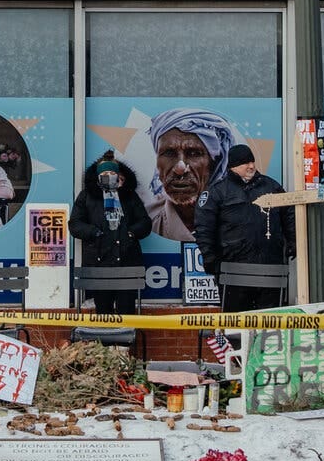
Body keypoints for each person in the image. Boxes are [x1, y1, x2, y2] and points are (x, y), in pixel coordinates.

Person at [194, 143, 293, 313]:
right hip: (233, 271)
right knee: (236, 321)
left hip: (269, 269)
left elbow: (289, 215)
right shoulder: (217, 191)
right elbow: (204, 228)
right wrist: (209, 257)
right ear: (233, 166)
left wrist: (293, 240)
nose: (251, 166)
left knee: (269, 320)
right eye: (245, 162)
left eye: (252, 161)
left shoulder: (272, 187)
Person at [70, 150, 152, 315]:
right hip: (99, 262)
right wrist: (94, 232)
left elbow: (145, 223)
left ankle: (127, 334)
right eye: (105, 174)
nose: (108, 177)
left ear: (119, 176)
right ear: (98, 176)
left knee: (127, 312)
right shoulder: (87, 196)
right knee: (103, 313)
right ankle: (106, 334)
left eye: (112, 174)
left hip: (127, 262)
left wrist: (130, 233)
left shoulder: (129, 195)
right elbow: (75, 224)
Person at [146, 108, 236, 243]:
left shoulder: (237, 219)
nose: (180, 168)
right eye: (169, 153)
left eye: (194, 153)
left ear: (215, 164)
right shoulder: (147, 220)